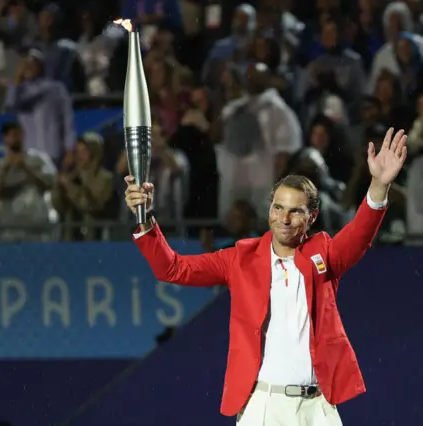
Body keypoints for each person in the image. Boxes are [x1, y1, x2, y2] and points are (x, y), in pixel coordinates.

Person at [125, 128, 408, 425]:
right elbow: (172, 268)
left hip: (317, 409)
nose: (284, 219)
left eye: (296, 211)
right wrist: (144, 217)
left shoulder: (324, 253)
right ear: (270, 209)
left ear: (312, 216)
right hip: (262, 406)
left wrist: (378, 185)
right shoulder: (240, 258)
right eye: (278, 208)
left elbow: (359, 235)